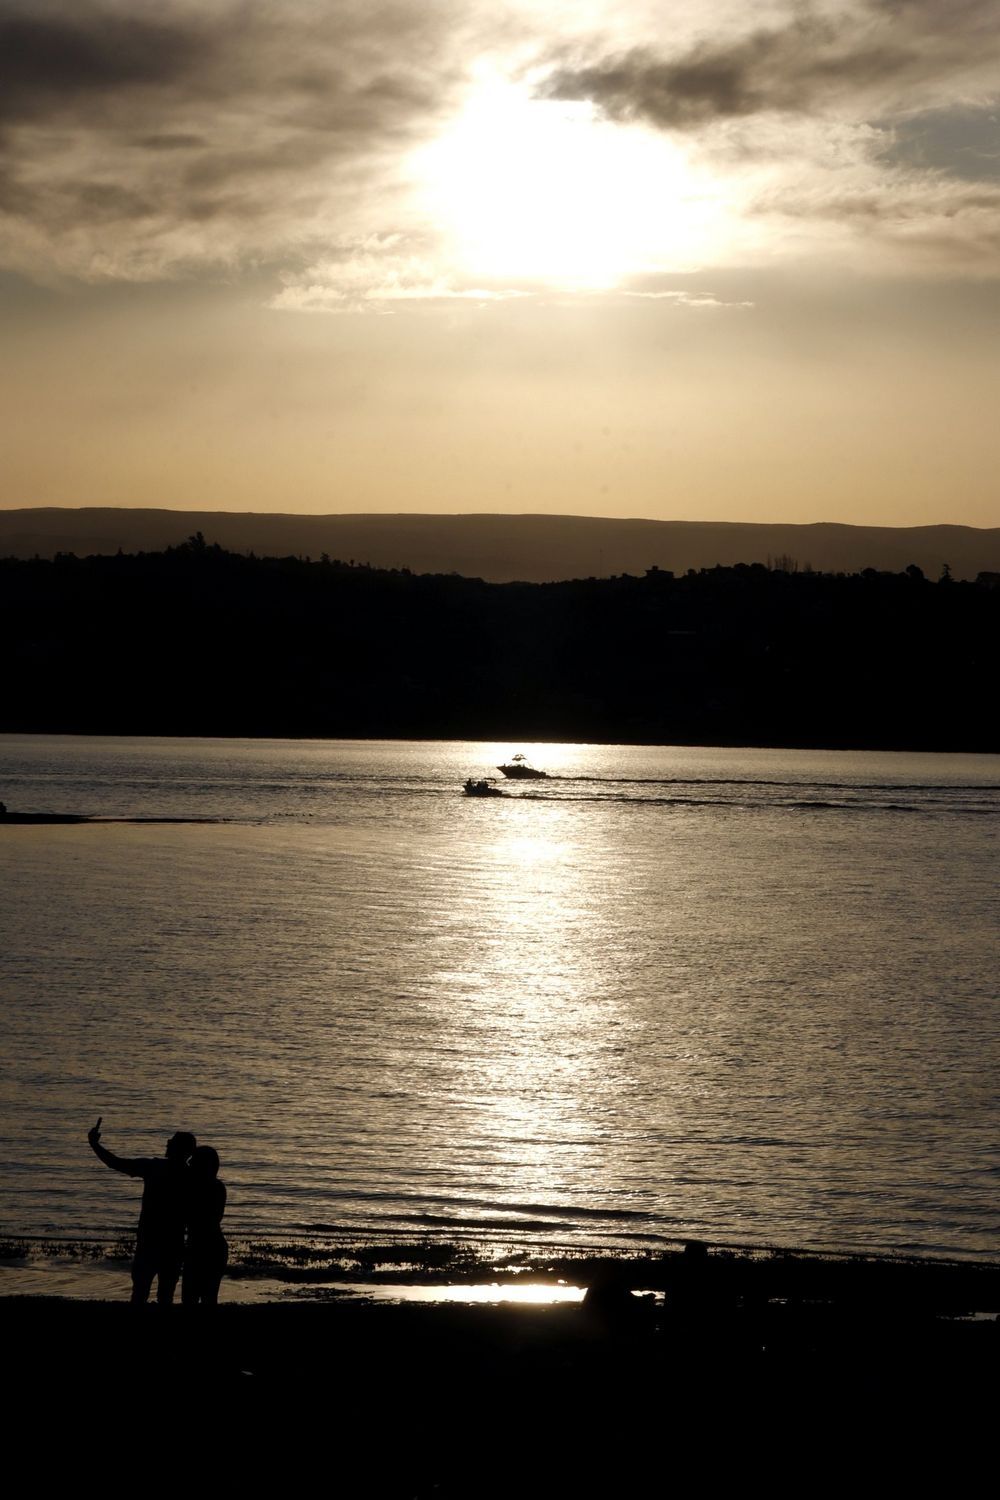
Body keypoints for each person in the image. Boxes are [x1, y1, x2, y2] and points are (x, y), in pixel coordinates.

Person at [87, 1116, 195, 1305]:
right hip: (173, 1244)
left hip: (149, 1242)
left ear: (178, 1148)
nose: (167, 1143)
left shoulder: (154, 1167)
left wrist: (95, 1145)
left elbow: (116, 1163)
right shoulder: (191, 1177)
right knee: (165, 1296)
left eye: (171, 1141)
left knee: (140, 1294)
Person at [182, 1145, 228, 1306]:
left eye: (193, 1161)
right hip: (211, 1247)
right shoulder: (216, 1186)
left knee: (194, 1298)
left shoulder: (200, 1188)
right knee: (205, 1298)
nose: (189, 1163)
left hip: (205, 1248)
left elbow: (200, 1220)